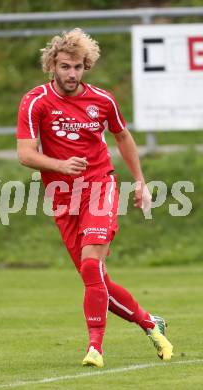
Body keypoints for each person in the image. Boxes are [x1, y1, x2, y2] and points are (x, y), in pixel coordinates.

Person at [16, 28, 173, 368]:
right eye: (64, 67)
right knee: (96, 278)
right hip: (62, 197)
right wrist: (59, 164)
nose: (71, 74)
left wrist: (140, 182)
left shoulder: (102, 101)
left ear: (86, 66)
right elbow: (25, 154)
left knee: (91, 264)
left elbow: (123, 137)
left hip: (100, 187)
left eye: (77, 67)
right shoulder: (35, 101)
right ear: (52, 66)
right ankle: (150, 323)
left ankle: (95, 348)